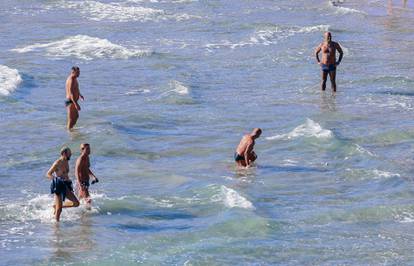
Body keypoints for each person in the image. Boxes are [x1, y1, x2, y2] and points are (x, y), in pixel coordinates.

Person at [46, 147, 80, 222]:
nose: (71, 155)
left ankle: (56, 206)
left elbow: (65, 174)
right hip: (59, 185)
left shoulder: (66, 161)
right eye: (69, 153)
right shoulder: (57, 163)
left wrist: (69, 180)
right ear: (64, 153)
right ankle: (56, 226)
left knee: (76, 203)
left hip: (66, 185)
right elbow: (48, 174)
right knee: (59, 210)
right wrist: (56, 179)